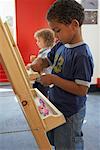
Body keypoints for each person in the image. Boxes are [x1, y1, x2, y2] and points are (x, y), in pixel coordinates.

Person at [29, 0, 94, 149]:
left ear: (74, 25)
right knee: (58, 141)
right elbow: (48, 59)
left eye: (57, 30)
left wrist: (53, 79)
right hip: (57, 104)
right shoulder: (61, 44)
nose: (56, 36)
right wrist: (40, 62)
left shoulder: (82, 54)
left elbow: (81, 89)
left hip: (70, 111)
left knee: (68, 143)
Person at [28, 28, 55, 97]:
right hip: (40, 79)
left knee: (42, 97)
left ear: (46, 41)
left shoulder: (47, 52)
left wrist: (31, 65)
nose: (37, 42)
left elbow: (40, 65)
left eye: (39, 41)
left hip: (45, 80)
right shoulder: (43, 51)